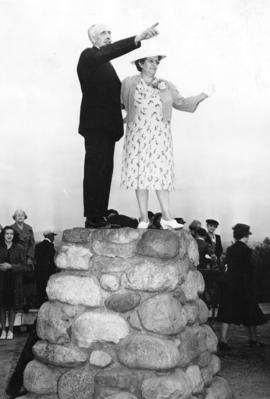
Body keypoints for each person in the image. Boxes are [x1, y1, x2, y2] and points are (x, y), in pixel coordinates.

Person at [77, 23, 159, 229]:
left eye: (110, 32)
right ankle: (93, 217)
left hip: (108, 126)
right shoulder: (88, 55)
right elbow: (107, 53)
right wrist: (136, 38)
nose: (108, 36)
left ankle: (100, 215)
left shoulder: (106, 65)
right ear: (93, 39)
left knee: (105, 171)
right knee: (96, 169)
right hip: (95, 125)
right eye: (103, 33)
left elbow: (115, 94)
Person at [121, 51, 209, 229]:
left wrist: (203, 94)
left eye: (156, 62)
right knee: (140, 176)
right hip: (137, 135)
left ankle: (167, 217)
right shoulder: (129, 82)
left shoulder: (166, 84)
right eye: (150, 61)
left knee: (161, 175)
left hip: (160, 136)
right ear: (140, 63)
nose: (154, 65)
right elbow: (120, 102)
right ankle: (144, 218)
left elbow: (181, 102)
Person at [217, 223, 267, 351]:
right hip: (244, 287)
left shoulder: (230, 249)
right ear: (246, 236)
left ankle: (223, 341)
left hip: (230, 286)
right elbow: (250, 270)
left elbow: (227, 267)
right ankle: (253, 340)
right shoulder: (247, 251)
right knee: (252, 313)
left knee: (226, 313)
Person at [0, 226, 27, 340]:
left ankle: (10, 330)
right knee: (1, 305)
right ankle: (3, 330)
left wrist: (11, 266)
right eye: (7, 234)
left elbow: (25, 266)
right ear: (3, 235)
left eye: (11, 234)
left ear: (14, 235)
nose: (9, 236)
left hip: (14, 280)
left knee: (12, 305)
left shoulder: (19, 248)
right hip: (1, 279)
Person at [11, 209, 36, 310]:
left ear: (25, 217)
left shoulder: (29, 228)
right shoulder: (11, 228)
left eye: (22, 215)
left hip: (28, 260)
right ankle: (17, 305)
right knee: (17, 282)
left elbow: (32, 244)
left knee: (28, 282)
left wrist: (30, 257)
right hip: (16, 259)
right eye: (18, 215)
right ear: (15, 217)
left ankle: (28, 304)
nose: (20, 217)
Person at [35, 230, 57, 307]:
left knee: (40, 289)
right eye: (53, 236)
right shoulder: (50, 246)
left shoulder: (38, 246)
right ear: (50, 236)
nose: (54, 238)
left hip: (39, 271)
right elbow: (52, 260)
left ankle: (39, 305)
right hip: (48, 271)